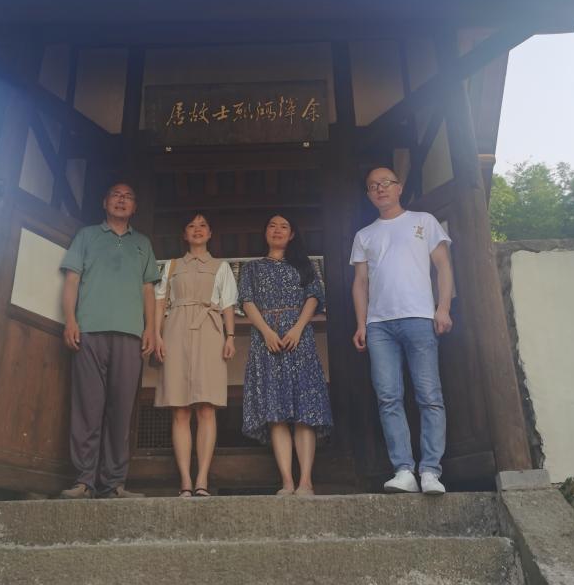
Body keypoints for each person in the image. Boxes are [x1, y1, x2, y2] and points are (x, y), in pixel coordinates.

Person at [350, 167, 454, 495]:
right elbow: (360, 283)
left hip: (420, 317)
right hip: (379, 325)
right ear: (369, 195)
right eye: (373, 186)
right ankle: (404, 470)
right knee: (388, 398)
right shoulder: (364, 235)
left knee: (429, 396)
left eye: (386, 183)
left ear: (399, 187)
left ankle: (431, 471)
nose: (380, 189)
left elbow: (443, 266)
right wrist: (361, 323)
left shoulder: (424, 221)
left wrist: (443, 308)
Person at [59, 182, 159, 499]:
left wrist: (151, 329)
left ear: (135, 207)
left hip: (130, 335)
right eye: (116, 195)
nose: (121, 200)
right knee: (87, 408)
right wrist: (70, 319)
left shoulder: (142, 243)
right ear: (105, 202)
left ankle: (114, 483)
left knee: (121, 410)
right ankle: (84, 481)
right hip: (89, 330)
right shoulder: (87, 236)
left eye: (128, 197)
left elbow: (148, 290)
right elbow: (72, 279)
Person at [238, 214, 333, 496]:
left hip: (298, 339)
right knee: (275, 413)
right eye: (272, 225)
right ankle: (287, 482)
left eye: (284, 227)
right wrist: (267, 332)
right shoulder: (252, 268)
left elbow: (314, 297)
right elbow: (247, 301)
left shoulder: (304, 265)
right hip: (266, 341)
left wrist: (298, 328)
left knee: (305, 411)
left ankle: (306, 482)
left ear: (292, 235)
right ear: (265, 232)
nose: (277, 230)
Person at [154, 212, 237, 497]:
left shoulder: (221, 266)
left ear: (210, 233)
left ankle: (201, 479)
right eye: (191, 225)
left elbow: (228, 304)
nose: (197, 229)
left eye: (203, 225)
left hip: (210, 331)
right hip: (175, 330)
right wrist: (157, 335)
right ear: (184, 234)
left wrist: (230, 336)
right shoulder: (172, 266)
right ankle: (185, 481)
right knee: (179, 408)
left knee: (206, 407)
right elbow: (160, 301)